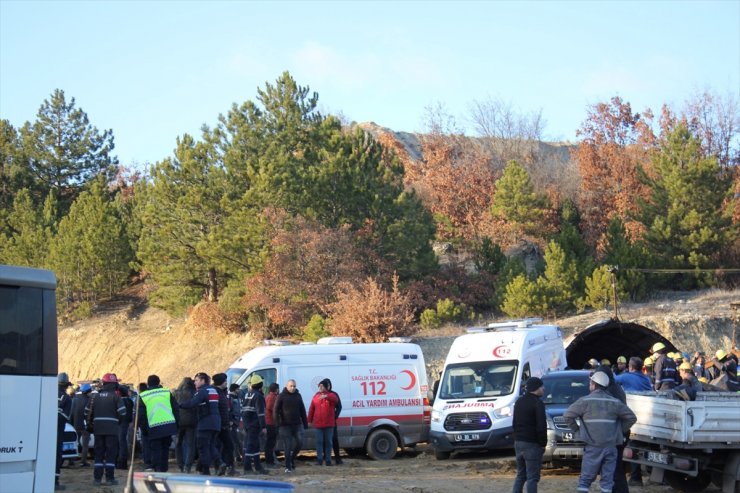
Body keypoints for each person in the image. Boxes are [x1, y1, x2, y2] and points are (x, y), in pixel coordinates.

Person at [563, 371, 637, 493]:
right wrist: (618, 431)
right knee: (607, 482)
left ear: (593, 384)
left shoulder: (584, 401)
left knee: (585, 481)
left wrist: (578, 431)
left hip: (593, 447)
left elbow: (567, 416)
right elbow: (631, 418)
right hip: (611, 448)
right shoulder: (614, 402)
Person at [86, 373, 127, 486]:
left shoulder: (94, 397)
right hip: (112, 430)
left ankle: (97, 479)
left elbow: (86, 412)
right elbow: (123, 413)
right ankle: (110, 479)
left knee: (98, 454)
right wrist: (116, 420)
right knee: (110, 454)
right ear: (113, 385)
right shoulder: (116, 397)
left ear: (103, 384)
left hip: (98, 429)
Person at [179, 372, 221, 475]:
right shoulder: (213, 390)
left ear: (203, 381)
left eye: (197, 380)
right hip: (216, 422)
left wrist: (179, 405)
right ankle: (219, 464)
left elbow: (192, 403)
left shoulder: (202, 392)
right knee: (211, 446)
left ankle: (206, 470)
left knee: (202, 447)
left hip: (205, 423)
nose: (195, 383)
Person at [511, 377, 546, 493]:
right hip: (532, 444)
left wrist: (516, 438)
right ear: (536, 388)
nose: (543, 389)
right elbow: (541, 426)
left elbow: (514, 423)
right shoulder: (538, 403)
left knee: (521, 475)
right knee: (532, 477)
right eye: (541, 387)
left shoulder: (519, 401)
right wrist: (542, 444)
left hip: (518, 442)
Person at [139, 375, 179, 472]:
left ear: (148, 384)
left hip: (153, 426)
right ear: (159, 382)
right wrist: (176, 424)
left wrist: (144, 430)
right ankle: (164, 470)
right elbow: (176, 409)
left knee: (155, 449)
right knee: (165, 449)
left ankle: (157, 470)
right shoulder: (166, 392)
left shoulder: (144, 396)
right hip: (168, 425)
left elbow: (142, 416)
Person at [274, 379, 308, 473]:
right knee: (287, 446)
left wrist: (305, 423)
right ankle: (288, 466)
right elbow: (275, 410)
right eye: (291, 386)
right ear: (287, 386)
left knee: (300, 442)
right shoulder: (281, 396)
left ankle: (292, 459)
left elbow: (302, 409)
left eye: (294, 386)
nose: (293, 388)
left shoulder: (298, 395)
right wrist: (277, 423)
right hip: (285, 426)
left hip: (297, 424)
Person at [241, 374, 269, 475]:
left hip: (247, 424)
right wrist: (264, 426)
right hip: (254, 424)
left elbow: (244, 410)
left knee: (255, 445)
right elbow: (260, 413)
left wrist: (244, 424)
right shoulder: (258, 396)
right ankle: (247, 467)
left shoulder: (247, 394)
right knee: (251, 445)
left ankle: (258, 466)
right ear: (260, 384)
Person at [308, 379, 338, 466]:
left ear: (326, 387)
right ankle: (319, 460)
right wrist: (309, 420)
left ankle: (328, 460)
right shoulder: (316, 396)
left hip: (329, 424)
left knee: (328, 442)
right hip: (318, 424)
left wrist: (326, 396)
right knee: (319, 442)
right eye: (319, 386)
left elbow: (335, 400)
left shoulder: (331, 395)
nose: (320, 388)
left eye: (322, 386)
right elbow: (311, 409)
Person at [212, 373, 234, 476]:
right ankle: (220, 466)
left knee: (229, 446)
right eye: (225, 380)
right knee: (217, 446)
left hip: (224, 424)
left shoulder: (223, 392)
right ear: (220, 382)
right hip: (218, 424)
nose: (227, 382)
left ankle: (226, 466)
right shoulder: (215, 392)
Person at [174, 377, 197, 473]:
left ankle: (180, 465)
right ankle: (188, 466)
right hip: (191, 422)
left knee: (178, 444)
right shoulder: (194, 393)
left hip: (179, 421)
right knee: (191, 445)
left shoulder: (176, 393)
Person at [56, 372, 73, 490]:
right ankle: (54, 482)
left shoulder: (46, 393)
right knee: (57, 455)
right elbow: (66, 417)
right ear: (66, 385)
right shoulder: (67, 398)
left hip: (43, 432)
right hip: (58, 431)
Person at [70, 383, 92, 468]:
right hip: (85, 426)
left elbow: (71, 413)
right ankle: (83, 462)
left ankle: (71, 461)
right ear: (88, 391)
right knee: (85, 445)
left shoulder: (75, 399)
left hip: (75, 425)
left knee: (74, 443)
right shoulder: (90, 400)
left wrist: (71, 424)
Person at [324, 378, 344, 465]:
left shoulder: (334, 394)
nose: (328, 386)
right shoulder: (319, 395)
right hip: (323, 421)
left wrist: (335, 416)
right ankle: (326, 458)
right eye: (326, 384)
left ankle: (337, 458)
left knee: (334, 439)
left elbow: (339, 406)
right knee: (324, 440)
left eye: (329, 384)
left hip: (332, 422)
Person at [116, 385, 134, 470]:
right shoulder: (129, 401)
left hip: (120, 423)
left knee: (121, 442)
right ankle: (123, 462)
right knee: (123, 441)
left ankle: (121, 462)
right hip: (126, 423)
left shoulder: (120, 401)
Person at [136, 382, 153, 470]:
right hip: (153, 422)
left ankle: (148, 463)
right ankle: (153, 462)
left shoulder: (140, 398)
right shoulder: (151, 396)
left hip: (144, 424)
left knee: (145, 444)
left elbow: (139, 413)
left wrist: (137, 424)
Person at [264, 382, 280, 468]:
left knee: (270, 443)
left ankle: (270, 461)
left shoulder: (269, 396)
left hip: (270, 422)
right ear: (276, 389)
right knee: (270, 443)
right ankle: (270, 462)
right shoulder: (272, 397)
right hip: (271, 422)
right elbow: (270, 407)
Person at [228, 383, 243, 464]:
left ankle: (238, 457)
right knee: (234, 441)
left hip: (236, 422)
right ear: (234, 389)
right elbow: (229, 410)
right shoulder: (230, 398)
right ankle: (236, 458)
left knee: (237, 441)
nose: (239, 390)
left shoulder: (236, 397)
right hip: (232, 422)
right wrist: (231, 420)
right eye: (238, 389)